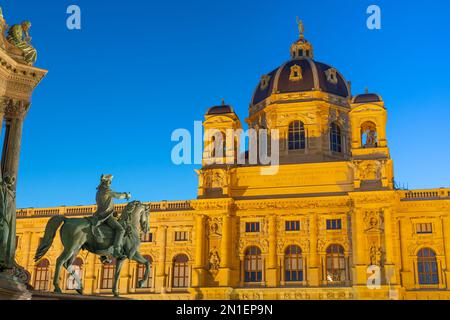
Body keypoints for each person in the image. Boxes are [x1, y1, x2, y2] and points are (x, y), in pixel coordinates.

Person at [92, 175, 131, 260]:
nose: (110, 183)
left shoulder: (98, 191)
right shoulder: (107, 190)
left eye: (110, 181)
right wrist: (126, 195)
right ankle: (117, 250)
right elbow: (118, 196)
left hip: (98, 215)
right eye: (109, 181)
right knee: (120, 230)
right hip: (106, 215)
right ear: (105, 182)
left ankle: (103, 255)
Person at [0, 175, 16, 270]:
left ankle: (6, 260)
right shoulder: (3, 190)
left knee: (7, 239)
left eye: (13, 179)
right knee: (4, 239)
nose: (12, 181)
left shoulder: (12, 193)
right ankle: (2, 259)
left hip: (10, 219)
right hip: (4, 218)